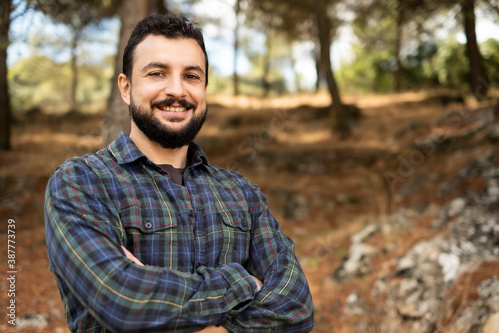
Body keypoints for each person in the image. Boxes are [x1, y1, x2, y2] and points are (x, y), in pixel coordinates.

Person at [44, 13, 314, 333]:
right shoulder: (81, 182)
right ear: (126, 87)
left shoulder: (243, 193)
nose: (177, 90)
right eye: (157, 73)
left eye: (191, 76)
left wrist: (159, 295)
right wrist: (245, 283)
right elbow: (125, 303)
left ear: (204, 88)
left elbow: (296, 308)